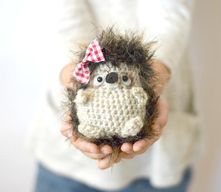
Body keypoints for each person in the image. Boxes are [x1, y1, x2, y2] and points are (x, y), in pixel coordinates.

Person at [28, 0, 201, 191]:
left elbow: (172, 9)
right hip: (65, 165)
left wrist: (153, 77)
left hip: (158, 159)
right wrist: (79, 72)